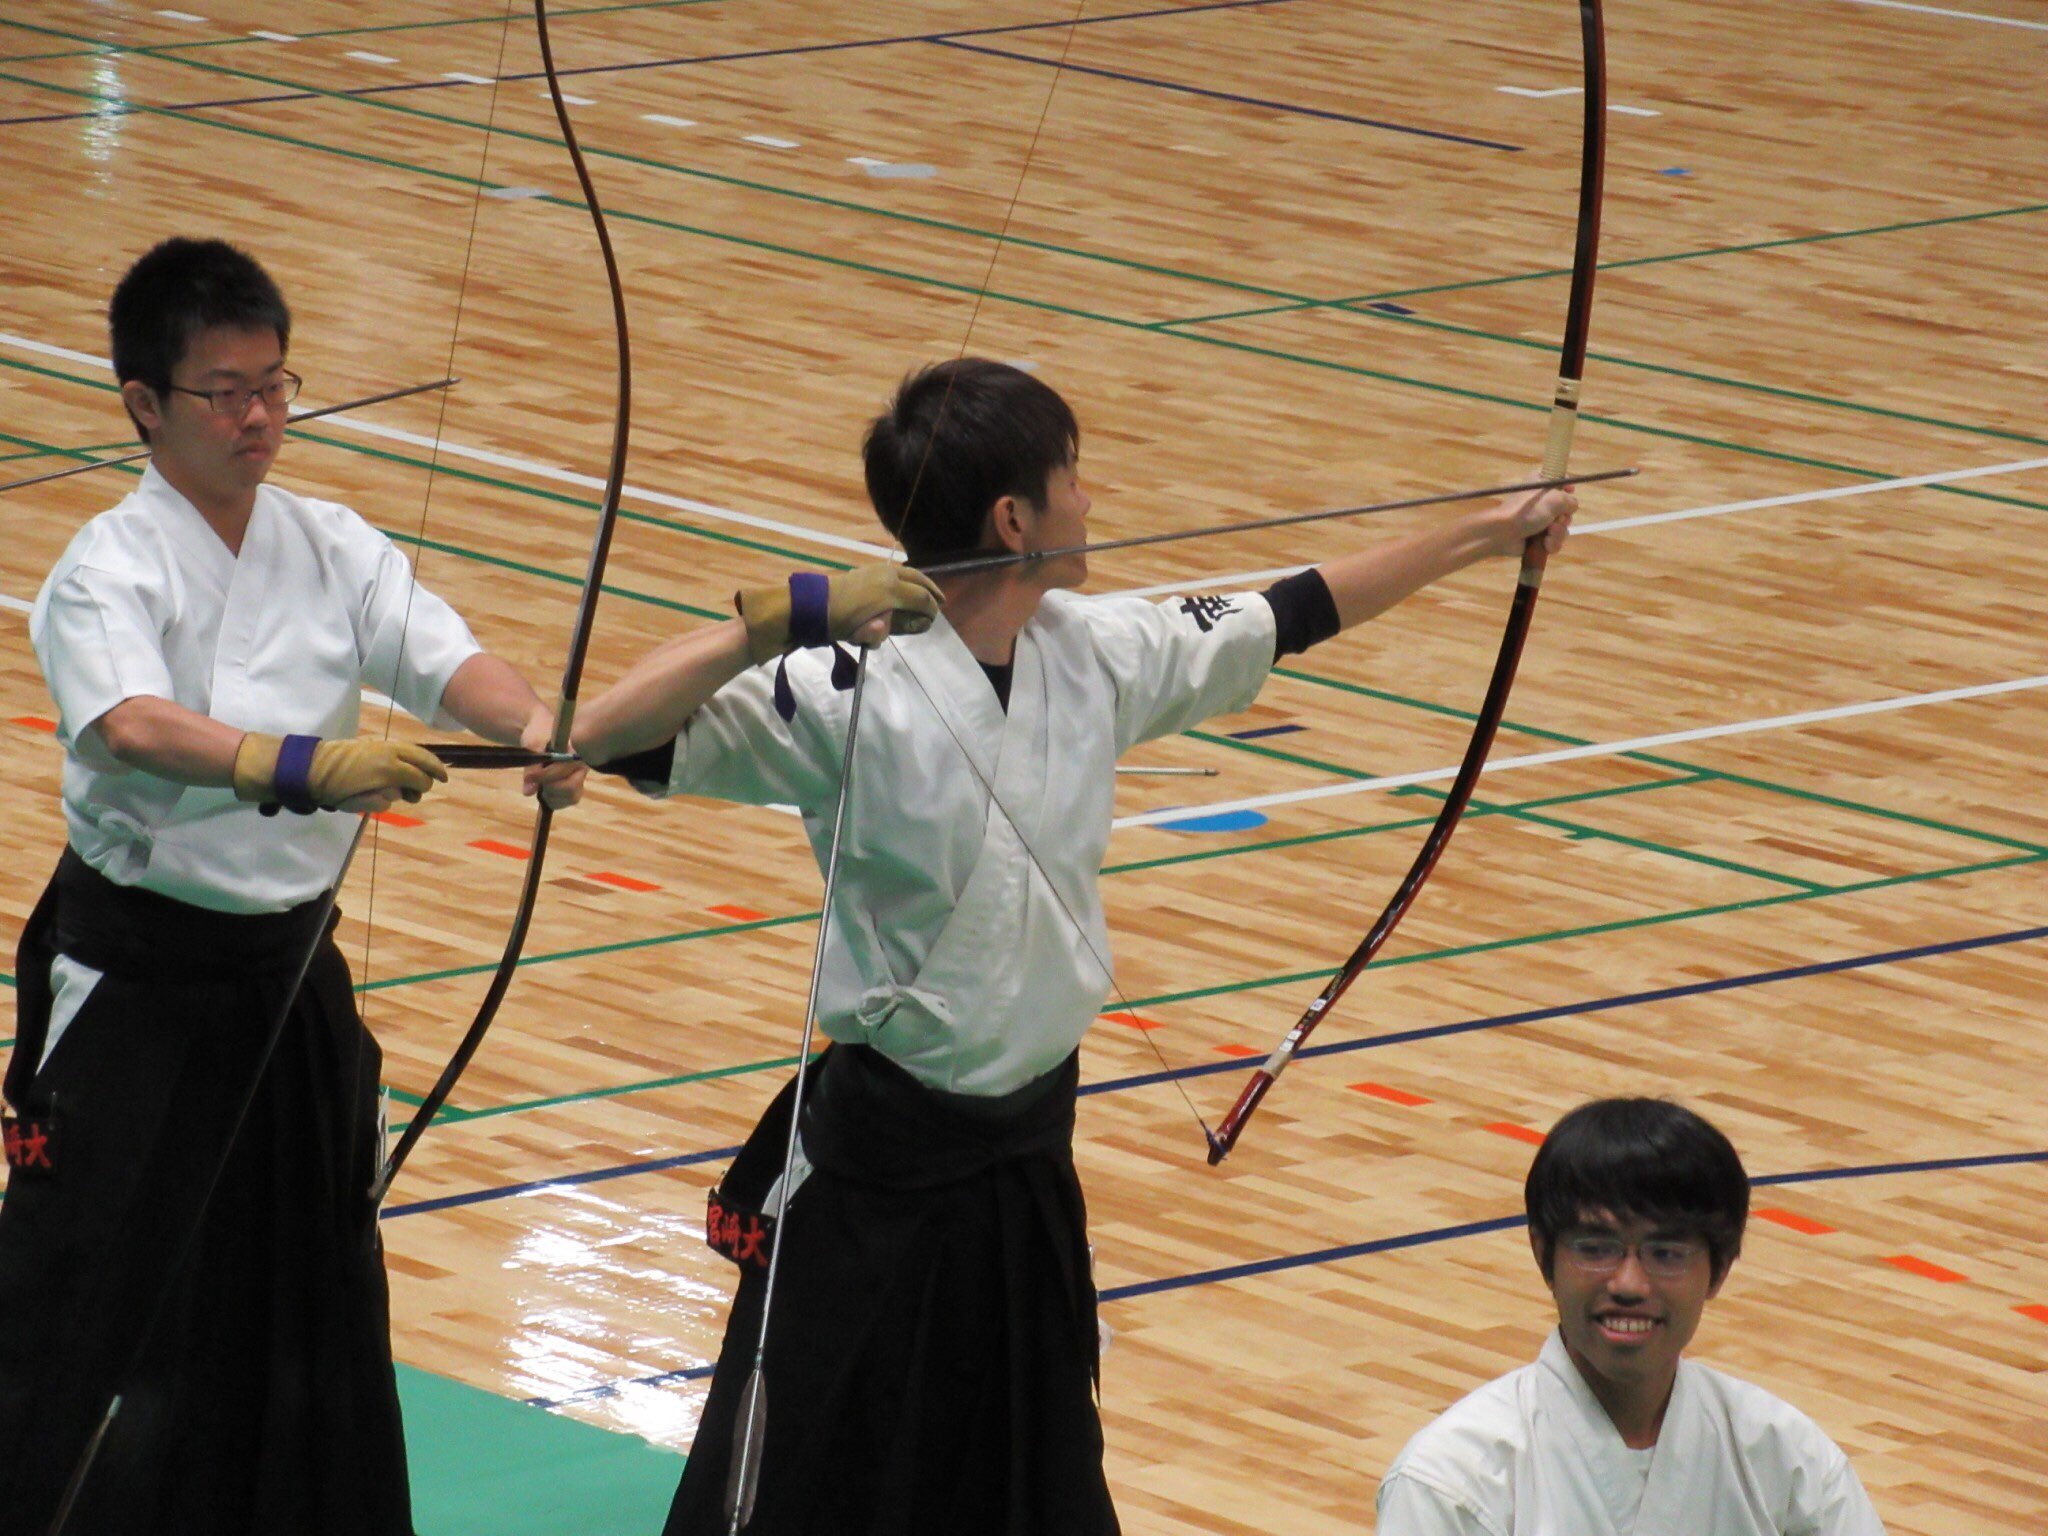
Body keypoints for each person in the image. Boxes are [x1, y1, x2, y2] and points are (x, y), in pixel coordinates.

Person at [572, 356, 1573, 1535]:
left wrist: (1484, 536)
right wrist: (780, 620)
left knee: (1027, 1482)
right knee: (804, 1481)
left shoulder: (1097, 648)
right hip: (877, 1169)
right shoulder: (848, 679)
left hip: (1022, 1160)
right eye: (1071, 481)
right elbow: (603, 735)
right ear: (1012, 518)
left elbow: (1290, 609)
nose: (1089, 502)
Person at [0, 236, 585, 1536]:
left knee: (310, 1275)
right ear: (145, 403)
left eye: (275, 383)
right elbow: (132, 728)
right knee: (75, 1281)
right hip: (139, 981)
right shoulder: (107, 567)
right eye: (224, 390)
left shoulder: (331, 544)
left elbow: (442, 660)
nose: (258, 415)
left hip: (285, 979)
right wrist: (299, 764)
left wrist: (537, 721)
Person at [1376, 1097, 1886, 1535]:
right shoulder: (1452, 1479)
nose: (1628, 1284)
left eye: (1666, 1254)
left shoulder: (1785, 1457)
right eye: (1596, 1248)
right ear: (1543, 1255)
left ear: (1721, 1268)